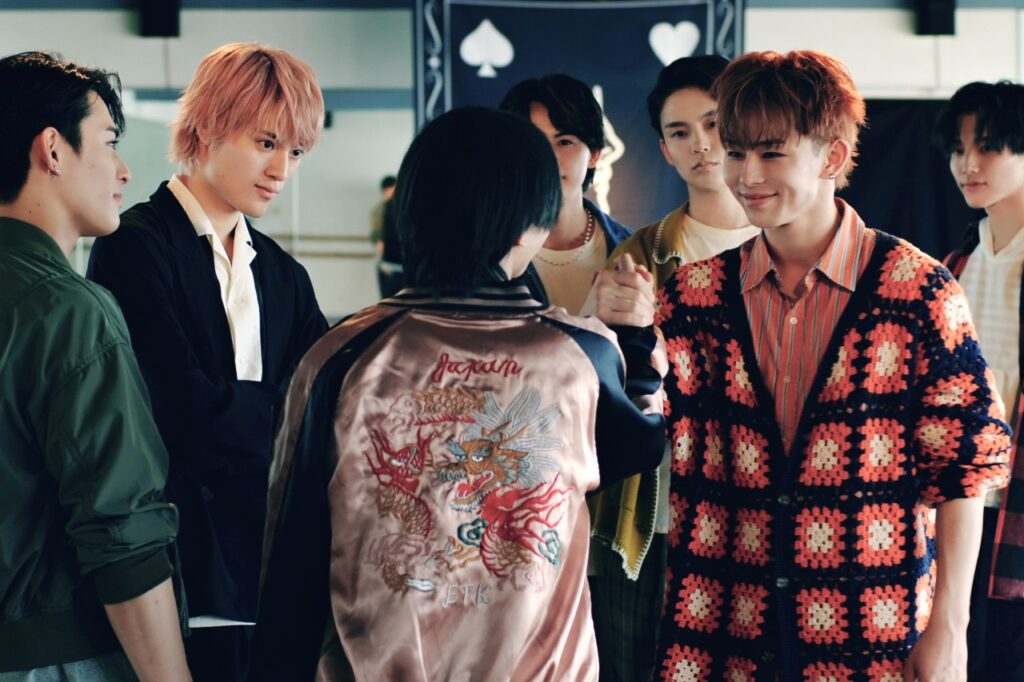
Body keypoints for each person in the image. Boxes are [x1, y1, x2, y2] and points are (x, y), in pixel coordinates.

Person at [247, 106, 666, 681]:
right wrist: (636, 343)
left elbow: (291, 545)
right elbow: (638, 443)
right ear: (529, 226)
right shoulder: (579, 354)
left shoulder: (341, 355)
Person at [653, 50, 1011, 681]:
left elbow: (964, 468)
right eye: (736, 152)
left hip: (871, 629)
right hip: (724, 625)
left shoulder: (917, 291)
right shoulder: (694, 297)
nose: (747, 175)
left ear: (833, 157)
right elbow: (640, 424)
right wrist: (627, 339)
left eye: (771, 152)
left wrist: (950, 628)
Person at [87, 43, 328, 682]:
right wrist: (280, 419)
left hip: (271, 569)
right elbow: (176, 409)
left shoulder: (285, 276)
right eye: (266, 142)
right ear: (210, 125)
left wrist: (249, 416)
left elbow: (324, 410)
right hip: (174, 566)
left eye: (295, 152)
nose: (281, 169)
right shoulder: (133, 246)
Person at [0, 51, 189, 681]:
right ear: (52, 150)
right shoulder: (67, 310)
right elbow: (122, 531)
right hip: (54, 656)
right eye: (109, 142)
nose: (124, 170)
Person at [585, 54, 760, 682]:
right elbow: (600, 392)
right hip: (656, 511)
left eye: (713, 124)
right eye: (680, 132)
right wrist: (618, 331)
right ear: (663, 149)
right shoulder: (641, 254)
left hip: (758, 508)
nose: (701, 145)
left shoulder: (788, 243)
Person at [936, 80, 1024, 682]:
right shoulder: (955, 264)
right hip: (964, 498)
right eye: (958, 148)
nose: (968, 164)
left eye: (988, 146)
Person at [499, 73, 633, 315]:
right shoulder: (487, 254)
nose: (548, 159)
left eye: (564, 142)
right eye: (534, 142)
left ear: (594, 154)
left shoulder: (635, 250)